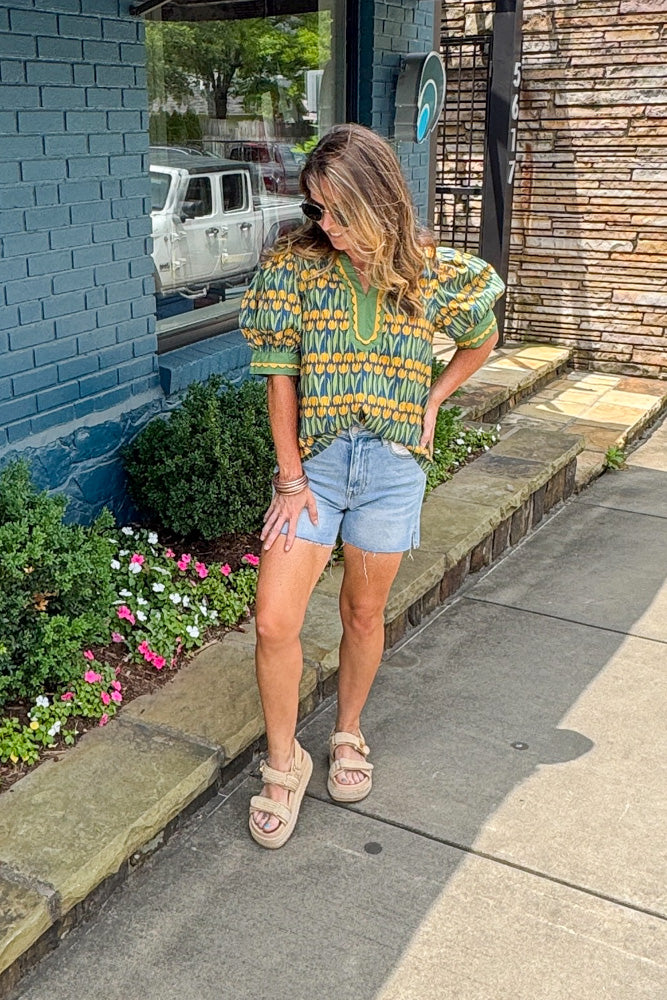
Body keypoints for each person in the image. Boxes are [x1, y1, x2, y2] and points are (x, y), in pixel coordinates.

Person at [239, 123, 504, 849]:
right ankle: (284, 760)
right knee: (274, 621)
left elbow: (482, 335)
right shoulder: (296, 269)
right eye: (316, 209)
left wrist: (434, 397)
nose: (323, 225)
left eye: (337, 211)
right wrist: (289, 478)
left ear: (377, 200)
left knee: (363, 612)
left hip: (391, 469)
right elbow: (279, 375)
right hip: (316, 470)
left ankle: (348, 732)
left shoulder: (430, 272)